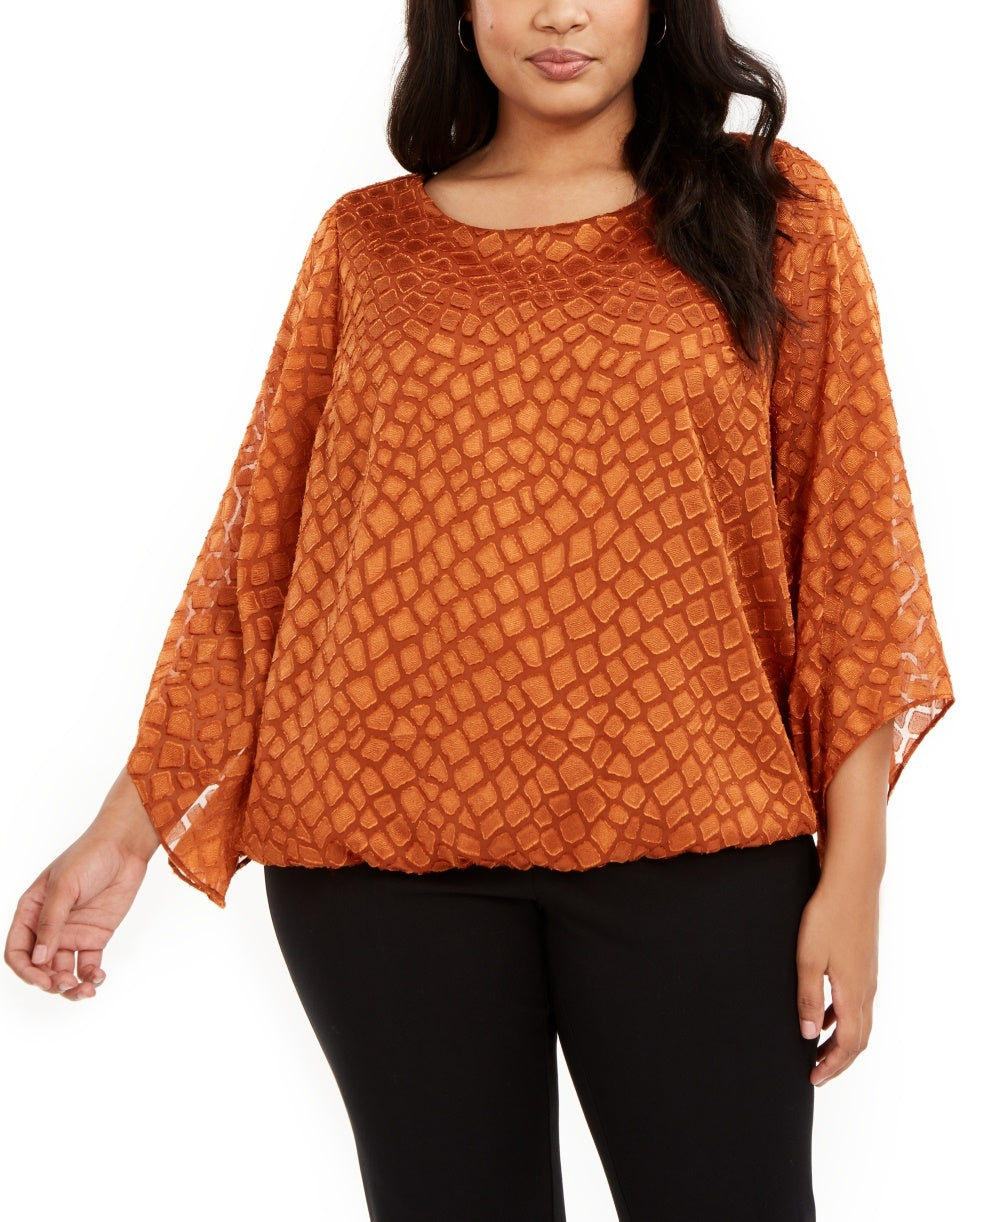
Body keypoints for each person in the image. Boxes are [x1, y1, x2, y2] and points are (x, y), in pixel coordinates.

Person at [5, 2, 955, 1219]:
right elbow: (265, 556)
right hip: (378, 861)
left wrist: (856, 874)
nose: (558, 12)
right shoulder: (367, 242)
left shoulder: (772, 209)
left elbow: (850, 546)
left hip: (699, 843)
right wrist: (121, 834)